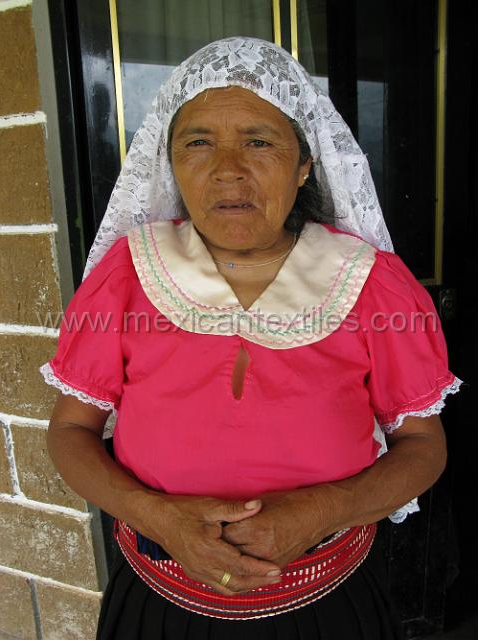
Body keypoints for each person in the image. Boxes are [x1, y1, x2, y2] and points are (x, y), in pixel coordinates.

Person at [39, 37, 463, 639]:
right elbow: (70, 431)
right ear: (172, 164)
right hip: (159, 606)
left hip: (329, 609)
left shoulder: (372, 285)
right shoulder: (128, 275)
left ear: (305, 165)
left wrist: (322, 510)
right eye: (198, 142)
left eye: (259, 141)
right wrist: (157, 516)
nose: (227, 169)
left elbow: (423, 446)